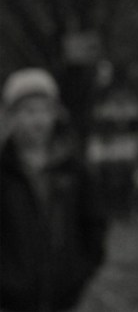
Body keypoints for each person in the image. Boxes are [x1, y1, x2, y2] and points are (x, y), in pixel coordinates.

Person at [0, 68, 108, 312]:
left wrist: (80, 272)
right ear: (11, 116)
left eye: (45, 110)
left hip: (65, 299)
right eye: (28, 111)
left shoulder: (73, 168)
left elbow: (94, 222)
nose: (38, 120)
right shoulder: (4, 171)